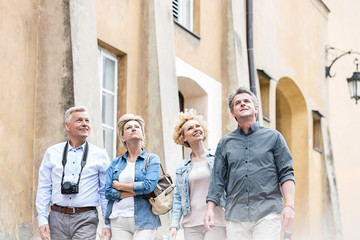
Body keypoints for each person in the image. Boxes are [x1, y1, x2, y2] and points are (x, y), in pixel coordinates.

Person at [204, 87, 295, 240]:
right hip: (235, 215)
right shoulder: (225, 143)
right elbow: (217, 180)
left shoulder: (274, 137)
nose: (243, 104)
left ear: (256, 109)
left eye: (247, 101)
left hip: (268, 211)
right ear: (233, 113)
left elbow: (286, 173)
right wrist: (210, 209)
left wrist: (290, 205)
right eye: (238, 103)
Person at [36, 106, 111, 240]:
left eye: (87, 121)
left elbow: (105, 192)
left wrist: (107, 223)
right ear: (67, 126)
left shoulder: (100, 155)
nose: (85, 124)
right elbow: (44, 187)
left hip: (86, 218)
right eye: (79, 120)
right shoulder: (52, 153)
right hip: (56, 217)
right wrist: (42, 219)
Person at [169, 109, 226, 240]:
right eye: (190, 128)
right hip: (191, 224)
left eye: (198, 126)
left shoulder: (217, 158)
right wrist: (174, 225)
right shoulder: (182, 167)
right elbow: (178, 198)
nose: (196, 129)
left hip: (215, 220)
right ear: (183, 137)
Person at [104, 113, 161, 240]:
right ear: (123, 137)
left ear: (142, 135)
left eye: (137, 127)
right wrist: (135, 192)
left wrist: (120, 186)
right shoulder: (115, 163)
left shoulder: (152, 159)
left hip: (145, 219)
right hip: (118, 219)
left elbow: (148, 187)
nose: (134, 128)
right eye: (129, 127)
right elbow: (108, 192)